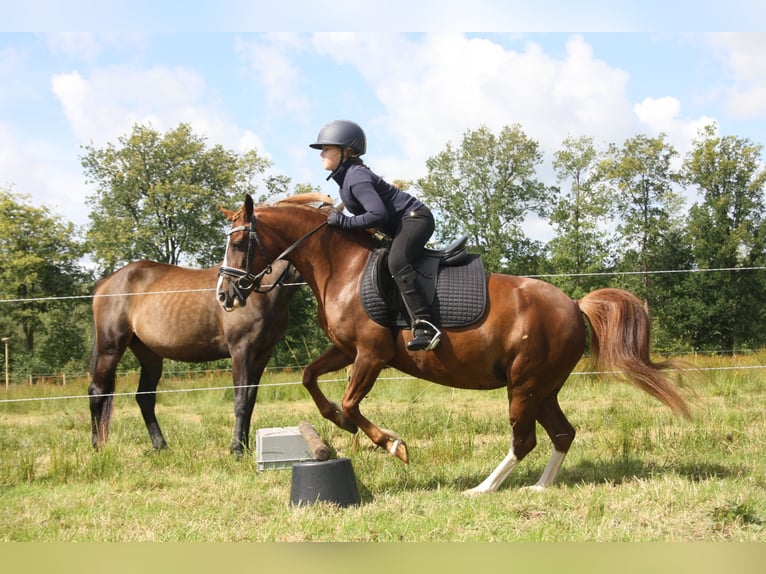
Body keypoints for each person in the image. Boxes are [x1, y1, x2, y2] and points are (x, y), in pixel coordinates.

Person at [309, 119, 440, 351]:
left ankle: (425, 324)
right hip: (400, 224)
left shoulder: (356, 177)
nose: (322, 154)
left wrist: (345, 222)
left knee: (397, 261)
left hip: (415, 218)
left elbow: (377, 215)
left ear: (345, 151)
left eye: (326, 148)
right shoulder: (346, 179)